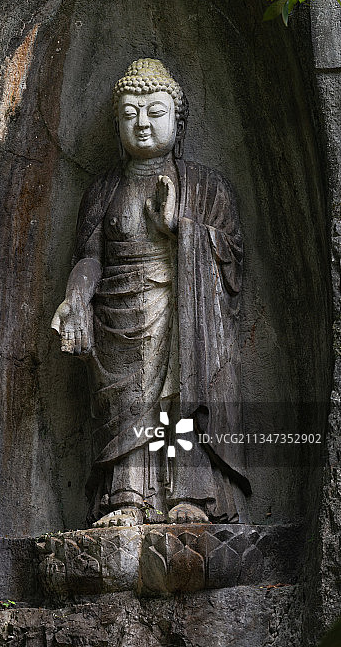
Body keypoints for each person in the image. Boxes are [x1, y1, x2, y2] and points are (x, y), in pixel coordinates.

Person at [52, 59, 251, 526]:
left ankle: (192, 496)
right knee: (130, 404)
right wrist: (77, 299)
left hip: (184, 309)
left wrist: (178, 228)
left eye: (154, 111)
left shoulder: (205, 185)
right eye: (130, 113)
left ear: (176, 120)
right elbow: (88, 257)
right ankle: (126, 498)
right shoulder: (103, 190)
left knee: (179, 395)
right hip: (119, 317)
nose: (142, 123)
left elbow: (233, 258)